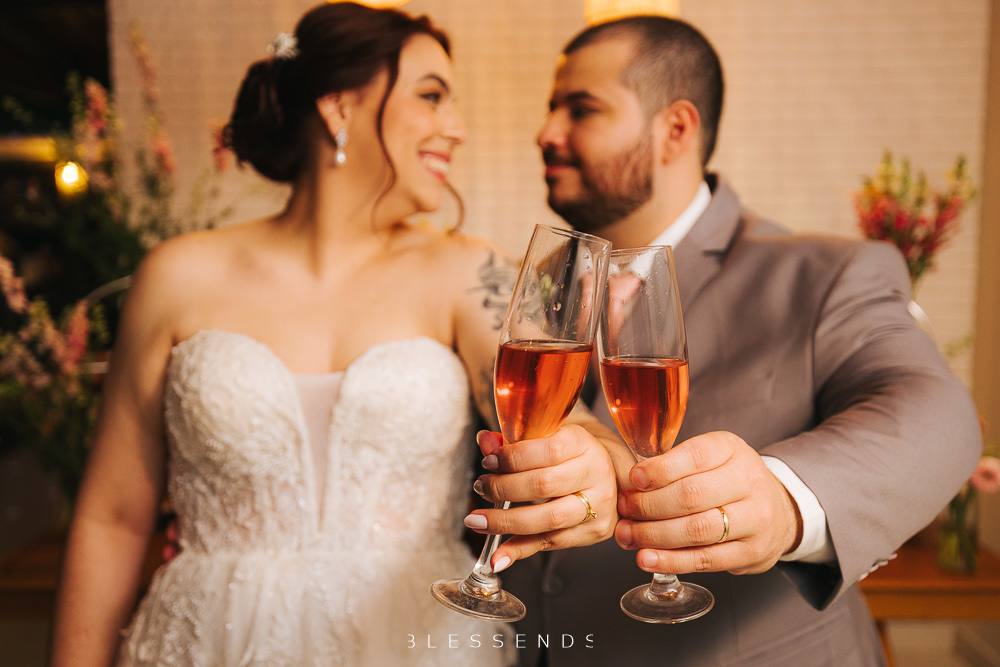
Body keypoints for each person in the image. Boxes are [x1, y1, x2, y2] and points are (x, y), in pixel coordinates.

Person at [48, 3, 620, 665]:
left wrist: (596, 462)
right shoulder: (175, 277)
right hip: (208, 639)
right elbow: (112, 518)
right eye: (431, 96)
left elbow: (565, 421)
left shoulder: (471, 273)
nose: (456, 129)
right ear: (339, 106)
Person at [464, 14, 983, 666]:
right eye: (551, 108)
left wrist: (784, 502)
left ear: (676, 129)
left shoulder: (824, 272)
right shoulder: (538, 282)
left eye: (582, 109)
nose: (546, 132)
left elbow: (938, 412)